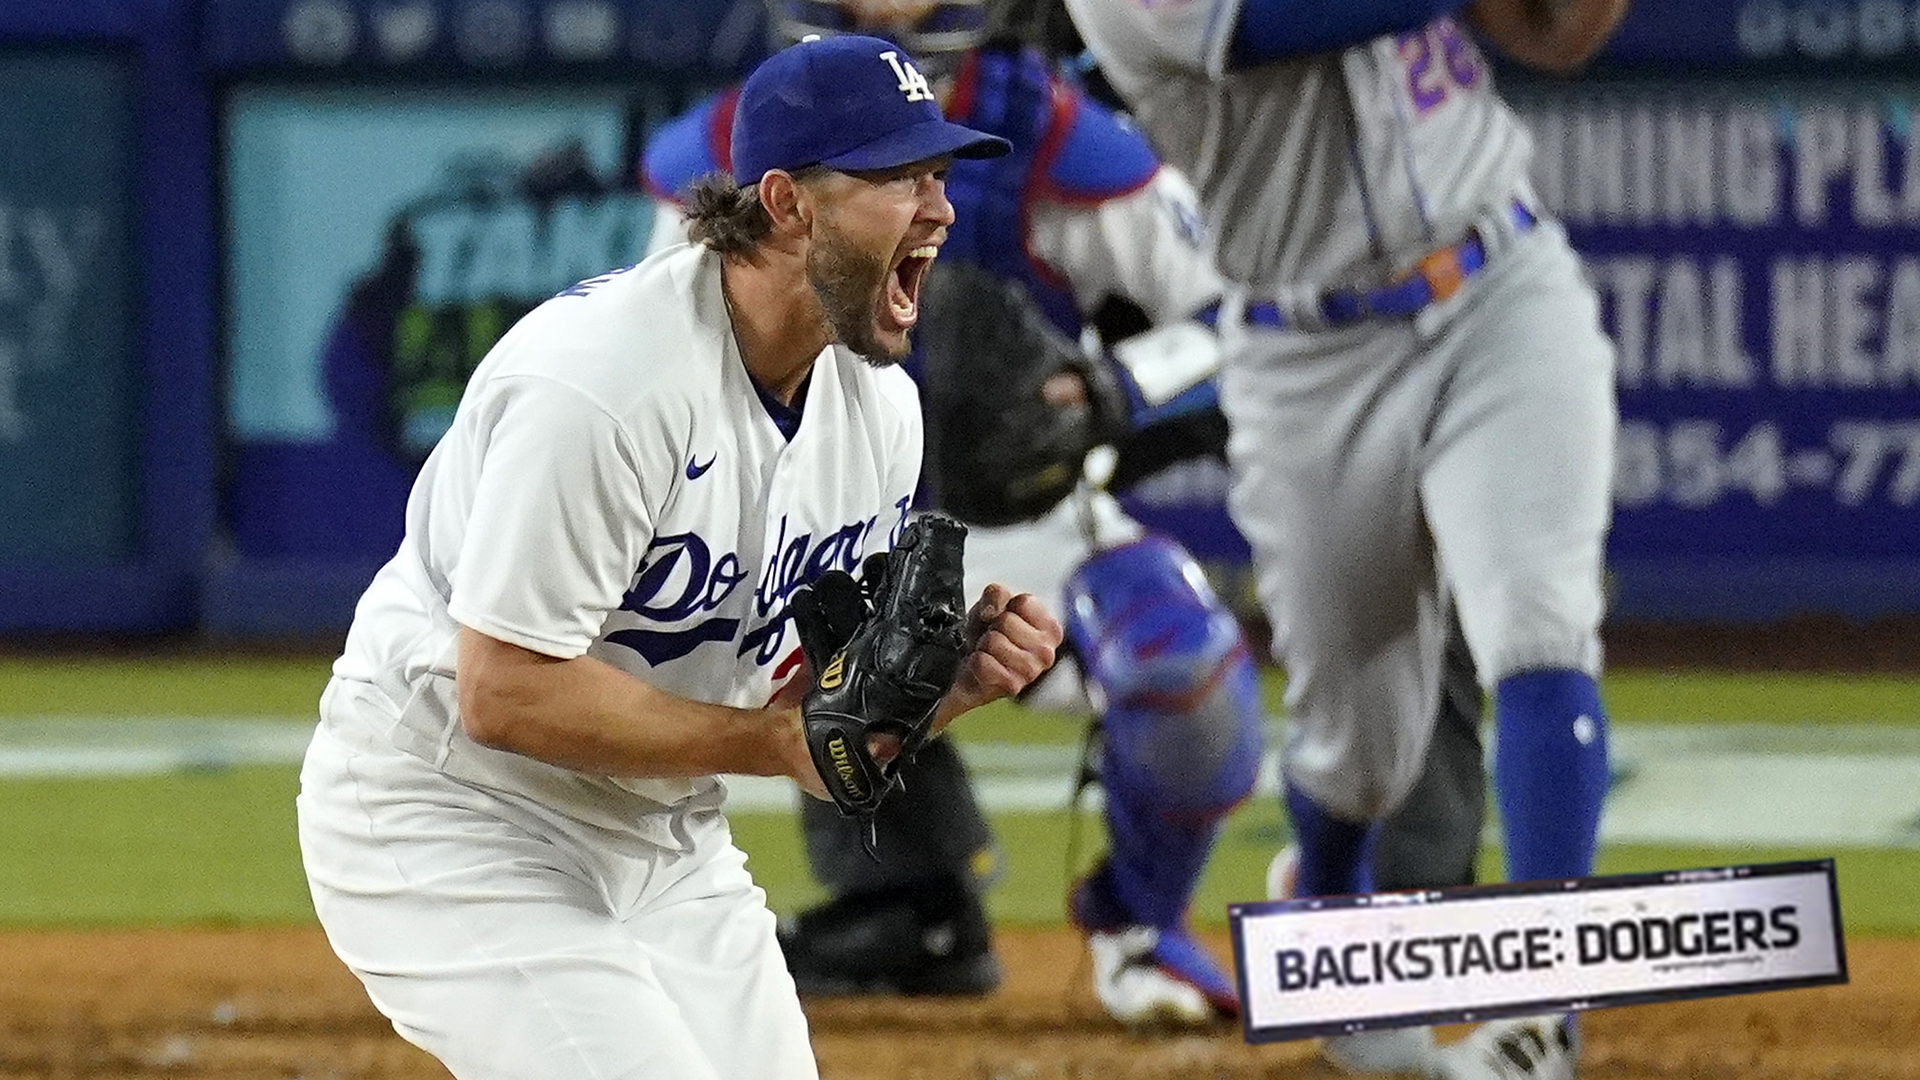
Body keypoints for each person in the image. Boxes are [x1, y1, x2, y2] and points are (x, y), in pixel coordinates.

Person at [641, 0, 1491, 1032]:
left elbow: (1236, 309)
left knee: (1185, 675)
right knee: (691, 661)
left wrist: (1111, 395)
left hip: (1010, 521)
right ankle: (862, 905)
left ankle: (1138, 924)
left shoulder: (1048, 135)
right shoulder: (725, 150)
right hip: (801, 522)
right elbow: (666, 353)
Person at [294, 33, 1062, 1080]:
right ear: (787, 202)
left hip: (662, 833)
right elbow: (503, 693)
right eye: (898, 177)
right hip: (452, 816)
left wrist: (942, 692)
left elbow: (821, 716)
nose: (941, 208)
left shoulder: (880, 410)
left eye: (938, 175)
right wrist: (771, 745)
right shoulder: (606, 384)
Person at [1062, 0, 1629, 1077]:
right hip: (1304, 355)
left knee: (1538, 624)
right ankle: (1328, 914)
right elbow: (1290, 17)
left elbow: (1557, 32)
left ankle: (1543, 1014)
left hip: (1499, 286)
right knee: (1356, 749)